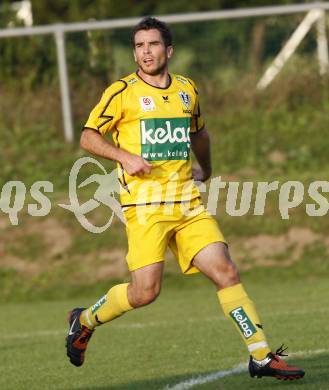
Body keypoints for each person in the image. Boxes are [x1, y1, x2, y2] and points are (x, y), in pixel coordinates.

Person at [66, 17, 305, 381]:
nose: (145, 52)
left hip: (187, 203)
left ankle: (260, 355)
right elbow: (88, 137)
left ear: (169, 50)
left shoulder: (186, 89)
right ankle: (84, 321)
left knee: (226, 271)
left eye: (153, 44)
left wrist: (205, 170)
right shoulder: (122, 92)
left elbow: (200, 132)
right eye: (139, 45)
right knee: (145, 292)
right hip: (145, 207)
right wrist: (124, 156)